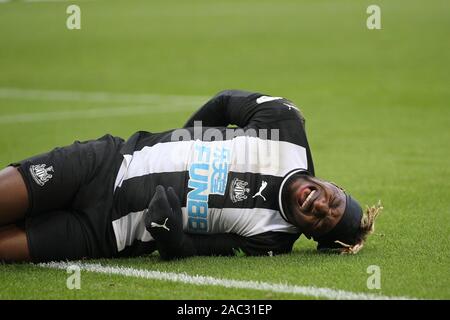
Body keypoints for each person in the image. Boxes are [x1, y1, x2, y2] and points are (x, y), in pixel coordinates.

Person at [0, 90, 382, 262]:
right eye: (333, 200)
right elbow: (225, 101)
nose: (319, 206)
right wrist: (185, 140)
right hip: (104, 162)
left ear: (311, 234)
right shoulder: (286, 127)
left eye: (321, 221)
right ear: (336, 187)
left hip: (104, 234)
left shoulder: (270, 240)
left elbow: (194, 250)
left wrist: (169, 234)